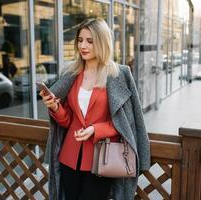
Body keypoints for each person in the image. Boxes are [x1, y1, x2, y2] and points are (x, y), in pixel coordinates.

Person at [40, 18, 150, 200]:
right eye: (80, 40)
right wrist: (55, 107)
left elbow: (126, 124)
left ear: (102, 42)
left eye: (90, 41)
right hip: (68, 158)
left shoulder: (119, 74)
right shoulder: (71, 73)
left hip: (102, 161)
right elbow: (68, 120)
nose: (83, 45)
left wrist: (95, 130)